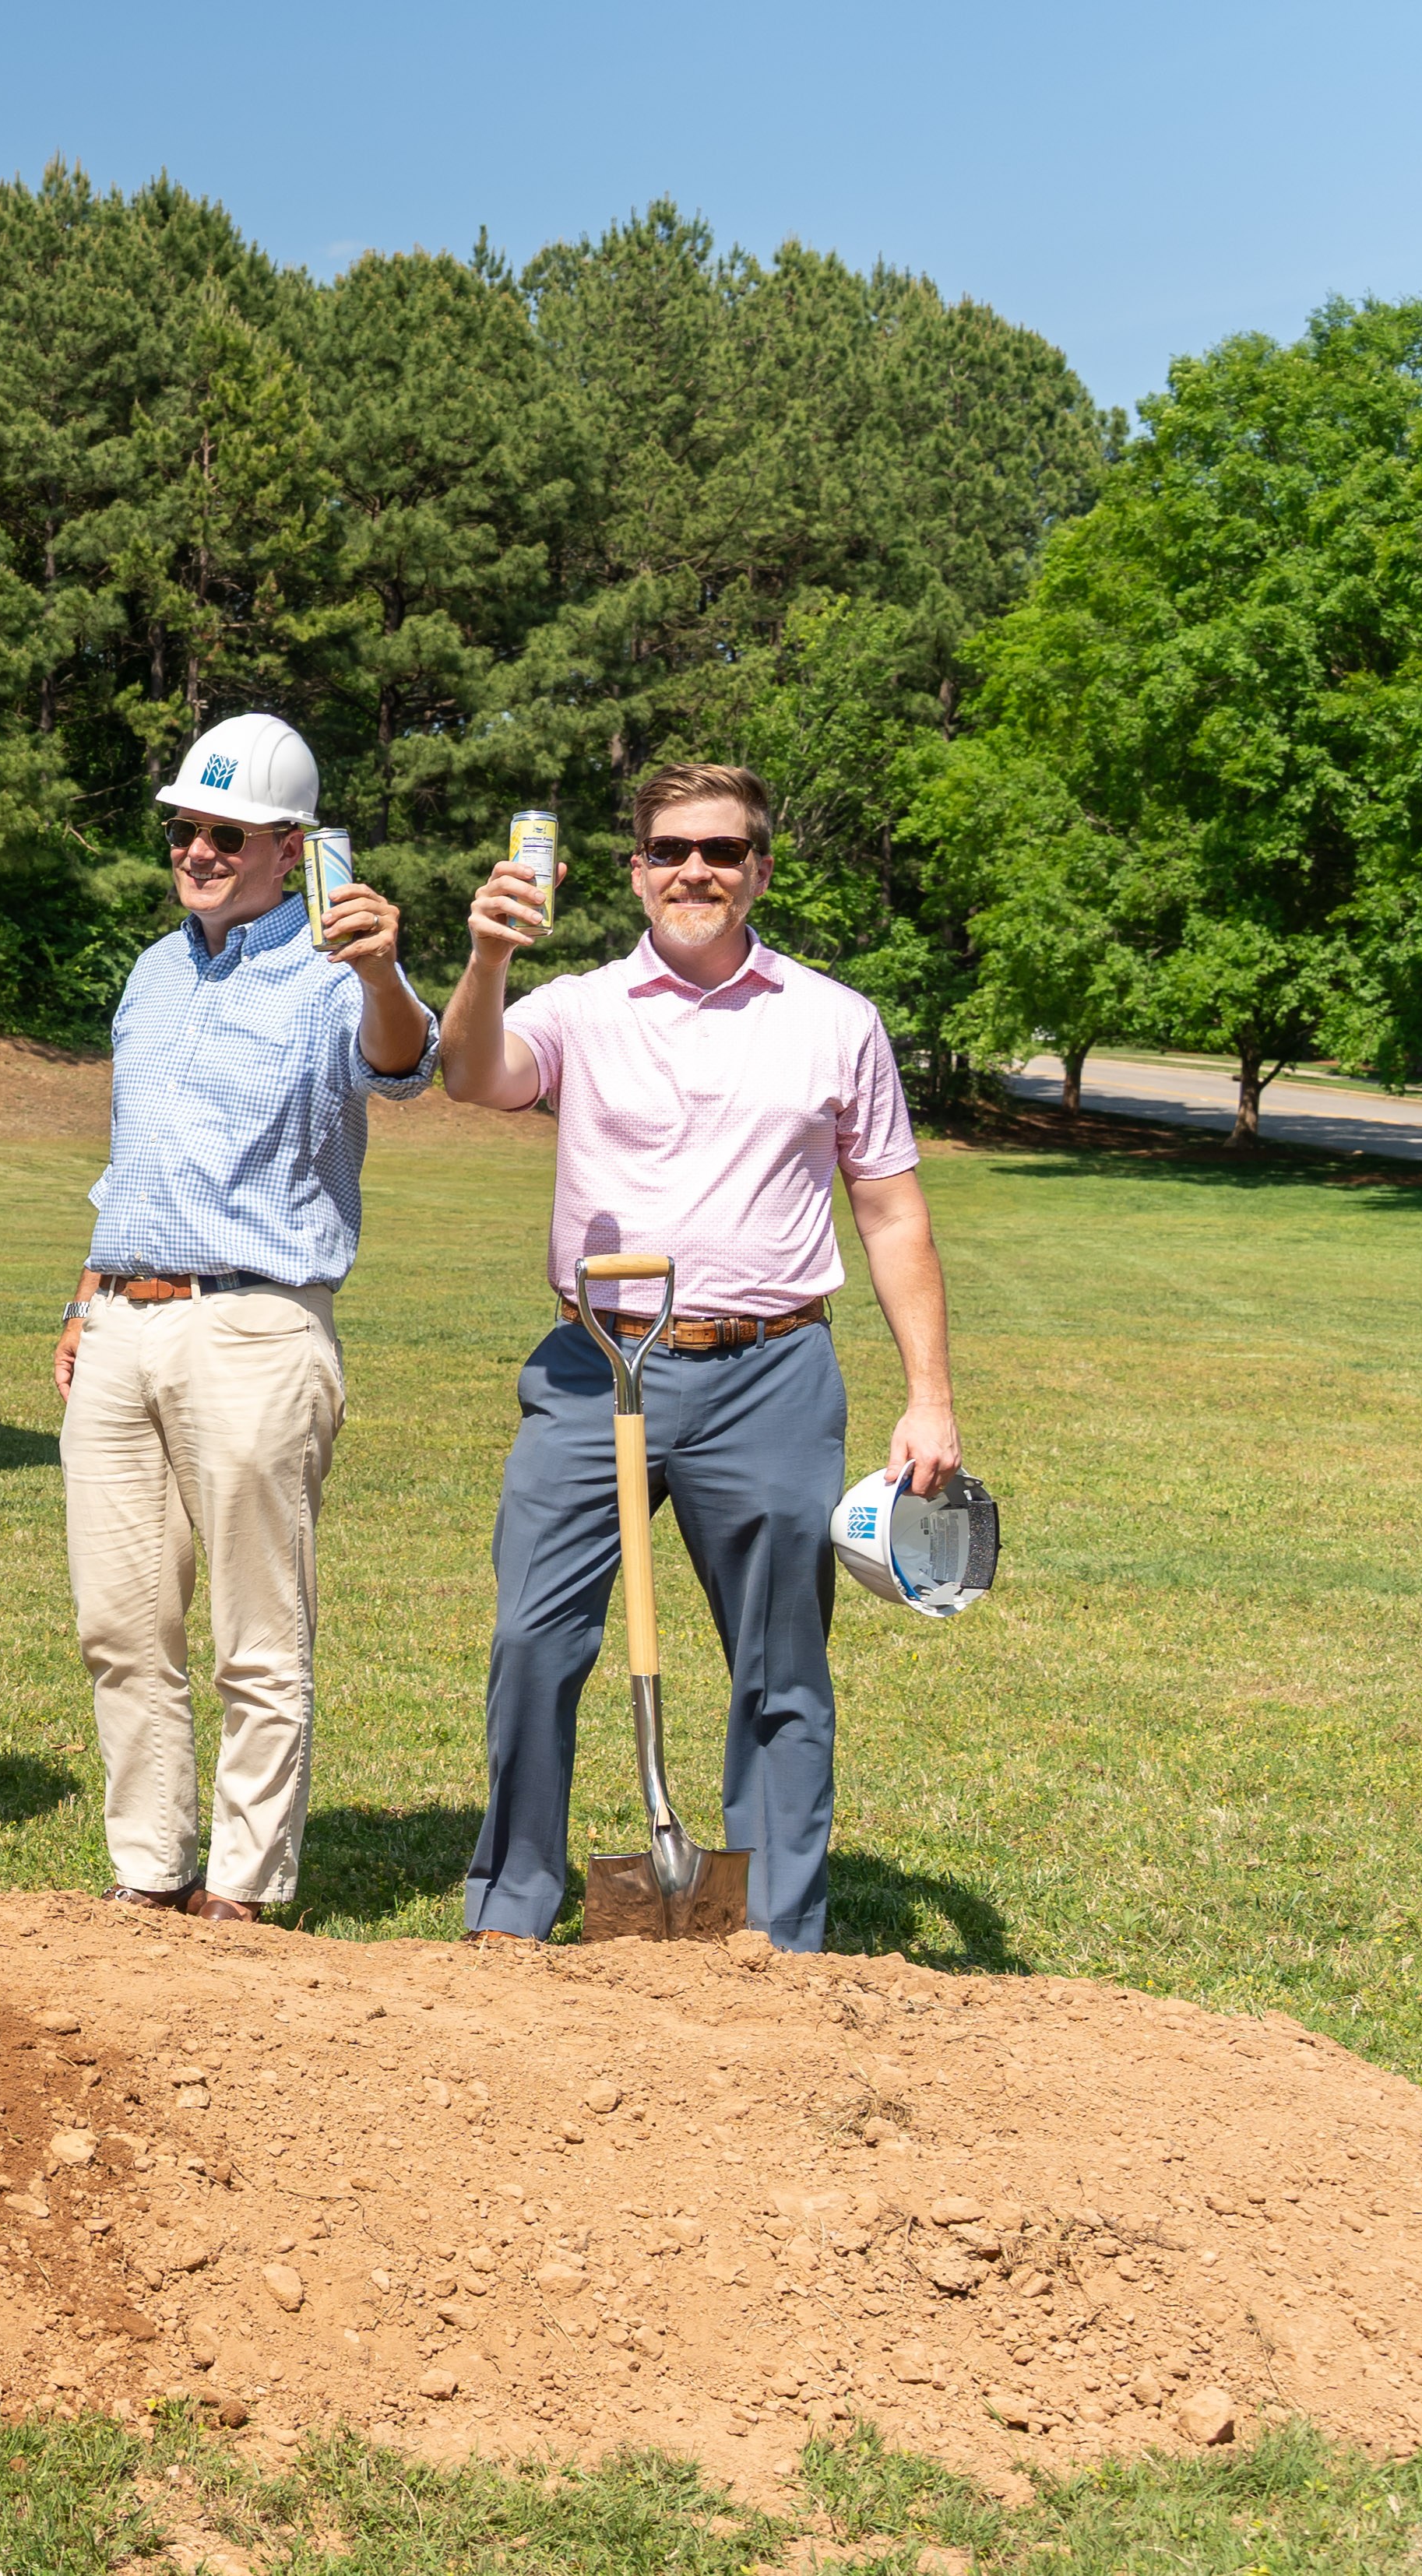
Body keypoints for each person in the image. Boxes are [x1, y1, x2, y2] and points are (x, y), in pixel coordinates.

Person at [431, 759, 960, 1952]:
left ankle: (773, 1933)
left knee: (780, 1665)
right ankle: (509, 1912)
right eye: (669, 850)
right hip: (593, 1369)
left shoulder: (833, 1018)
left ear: (758, 870)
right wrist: (487, 957)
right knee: (532, 1640)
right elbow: (472, 1074)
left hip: (771, 1371)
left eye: (721, 850)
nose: (694, 870)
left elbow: (889, 1212)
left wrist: (928, 1395)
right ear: (634, 872)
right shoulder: (576, 1006)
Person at [49, 713, 434, 1923]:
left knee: (255, 1636)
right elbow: (137, 1156)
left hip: (255, 1326)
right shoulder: (153, 974)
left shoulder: (336, 969)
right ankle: (147, 1866)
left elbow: (403, 1062)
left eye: (227, 833)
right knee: (119, 1624)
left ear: (289, 848)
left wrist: (378, 970)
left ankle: (242, 1886)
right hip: (122, 1318)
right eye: (184, 829)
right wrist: (84, 1294)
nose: (199, 851)